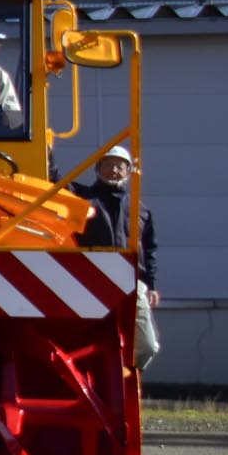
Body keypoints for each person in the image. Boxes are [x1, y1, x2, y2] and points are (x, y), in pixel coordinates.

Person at [71, 146, 160, 370]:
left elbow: (149, 249)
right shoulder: (82, 198)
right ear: (97, 169)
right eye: (108, 165)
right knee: (88, 341)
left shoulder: (141, 209)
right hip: (91, 280)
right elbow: (53, 180)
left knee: (147, 345)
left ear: (129, 172)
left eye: (120, 166)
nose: (114, 170)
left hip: (132, 282)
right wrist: (48, 152)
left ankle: (126, 376)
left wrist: (150, 285)